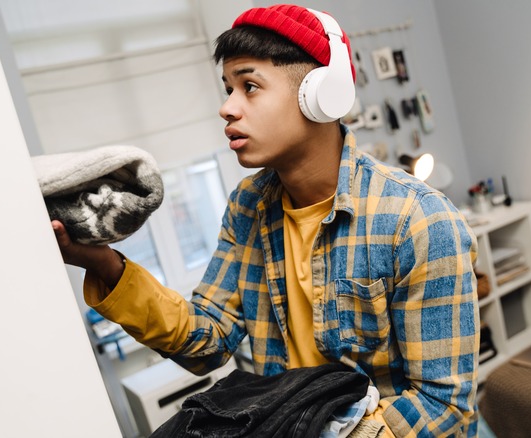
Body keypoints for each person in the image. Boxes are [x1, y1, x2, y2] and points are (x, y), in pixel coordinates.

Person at [53, 4, 479, 437]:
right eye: (227, 88)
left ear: (320, 95)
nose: (227, 107)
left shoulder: (420, 222)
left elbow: (441, 407)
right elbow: (207, 341)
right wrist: (104, 265)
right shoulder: (247, 206)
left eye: (249, 86)